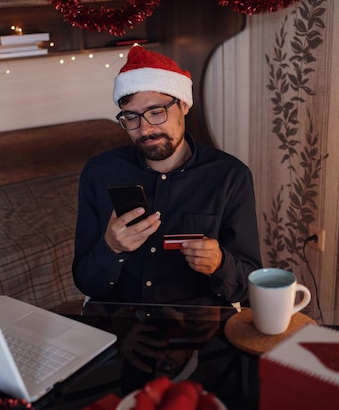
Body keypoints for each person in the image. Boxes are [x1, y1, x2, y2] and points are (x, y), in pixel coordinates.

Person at [72, 46, 262, 306]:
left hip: (200, 329)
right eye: (131, 117)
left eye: (156, 111)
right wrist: (111, 247)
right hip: (120, 322)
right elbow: (86, 281)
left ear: (183, 105)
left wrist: (220, 264)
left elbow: (249, 286)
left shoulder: (229, 176)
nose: (146, 128)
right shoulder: (99, 172)